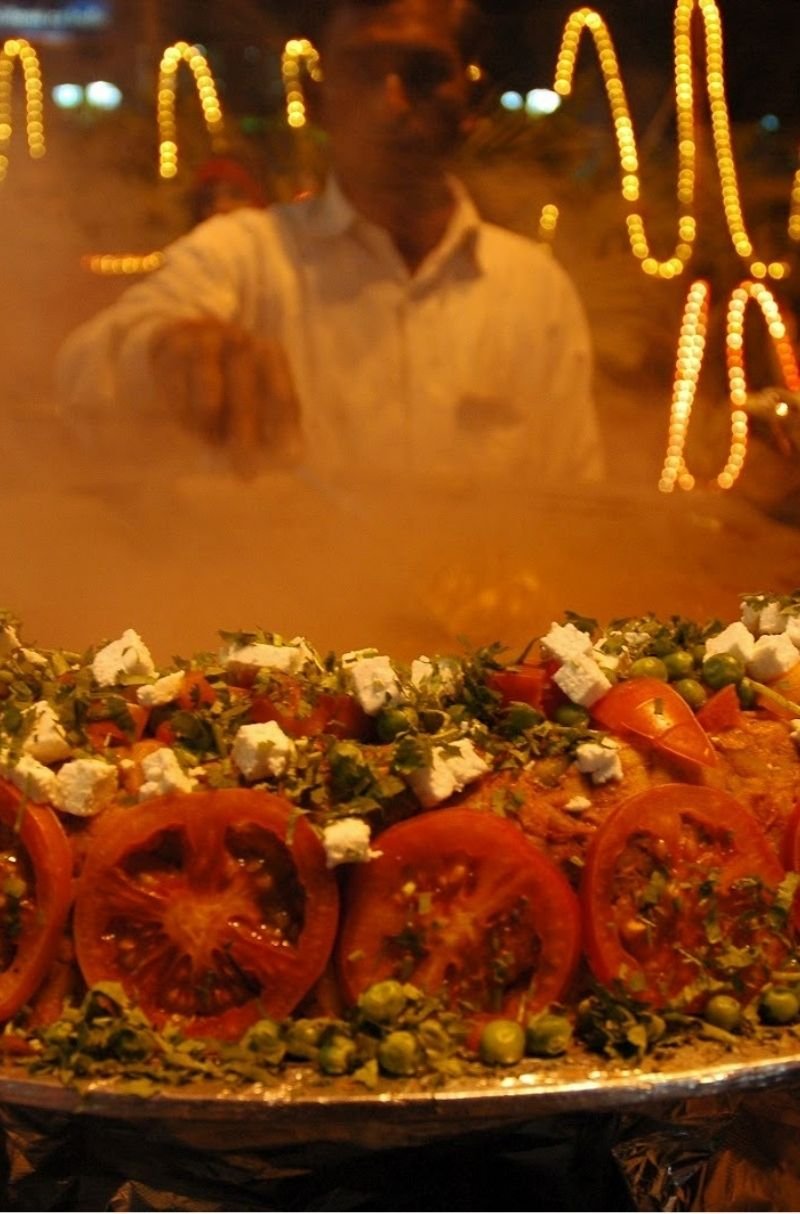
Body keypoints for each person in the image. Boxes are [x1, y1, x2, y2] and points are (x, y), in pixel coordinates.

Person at [56, 0, 604, 488]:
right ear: (319, 100)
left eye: (423, 74)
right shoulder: (247, 256)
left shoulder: (534, 292)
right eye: (363, 71)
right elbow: (86, 371)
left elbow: (576, 511)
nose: (391, 103)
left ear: (472, 102)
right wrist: (164, 351)